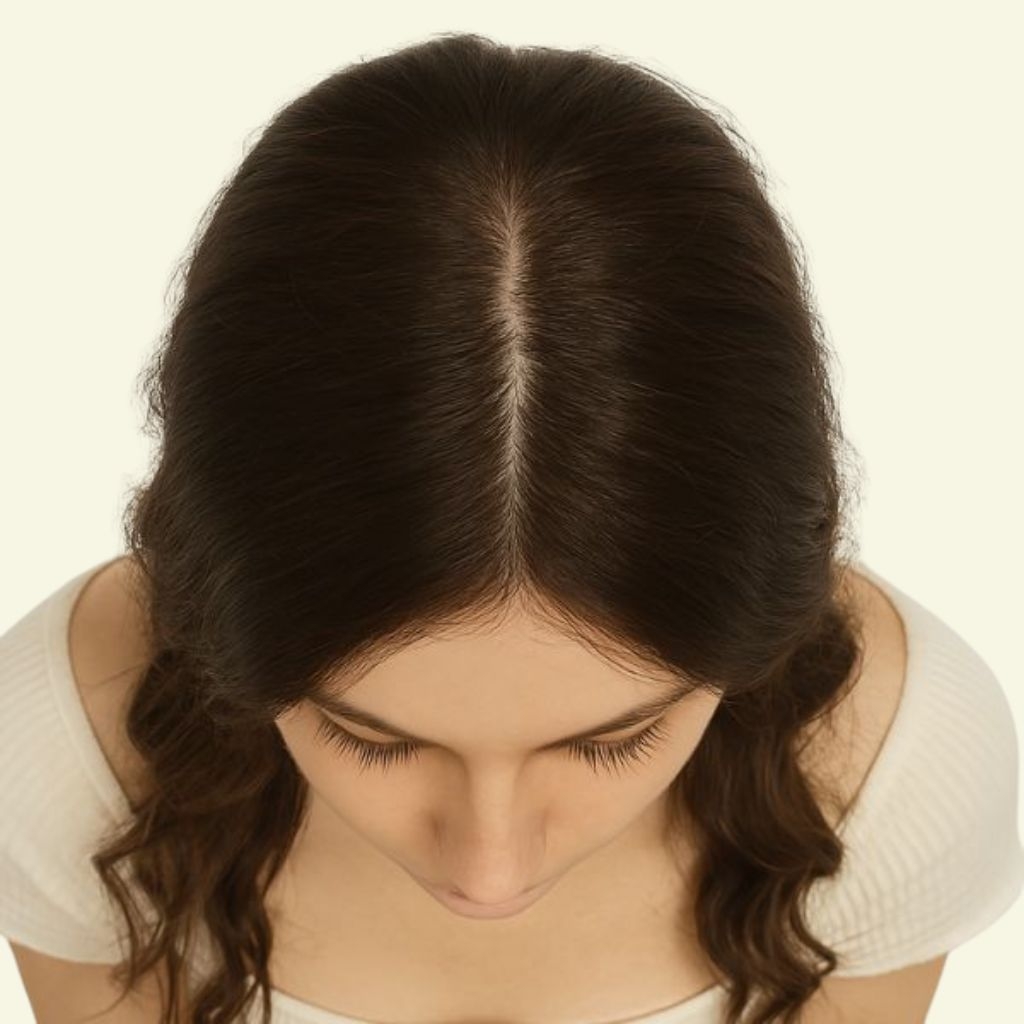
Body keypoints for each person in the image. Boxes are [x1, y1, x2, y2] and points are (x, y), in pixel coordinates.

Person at [2, 31, 1021, 1024]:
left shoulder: (896, 771)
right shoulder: (56, 755)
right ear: (216, 612)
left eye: (616, 741)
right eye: (371, 739)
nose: (489, 873)